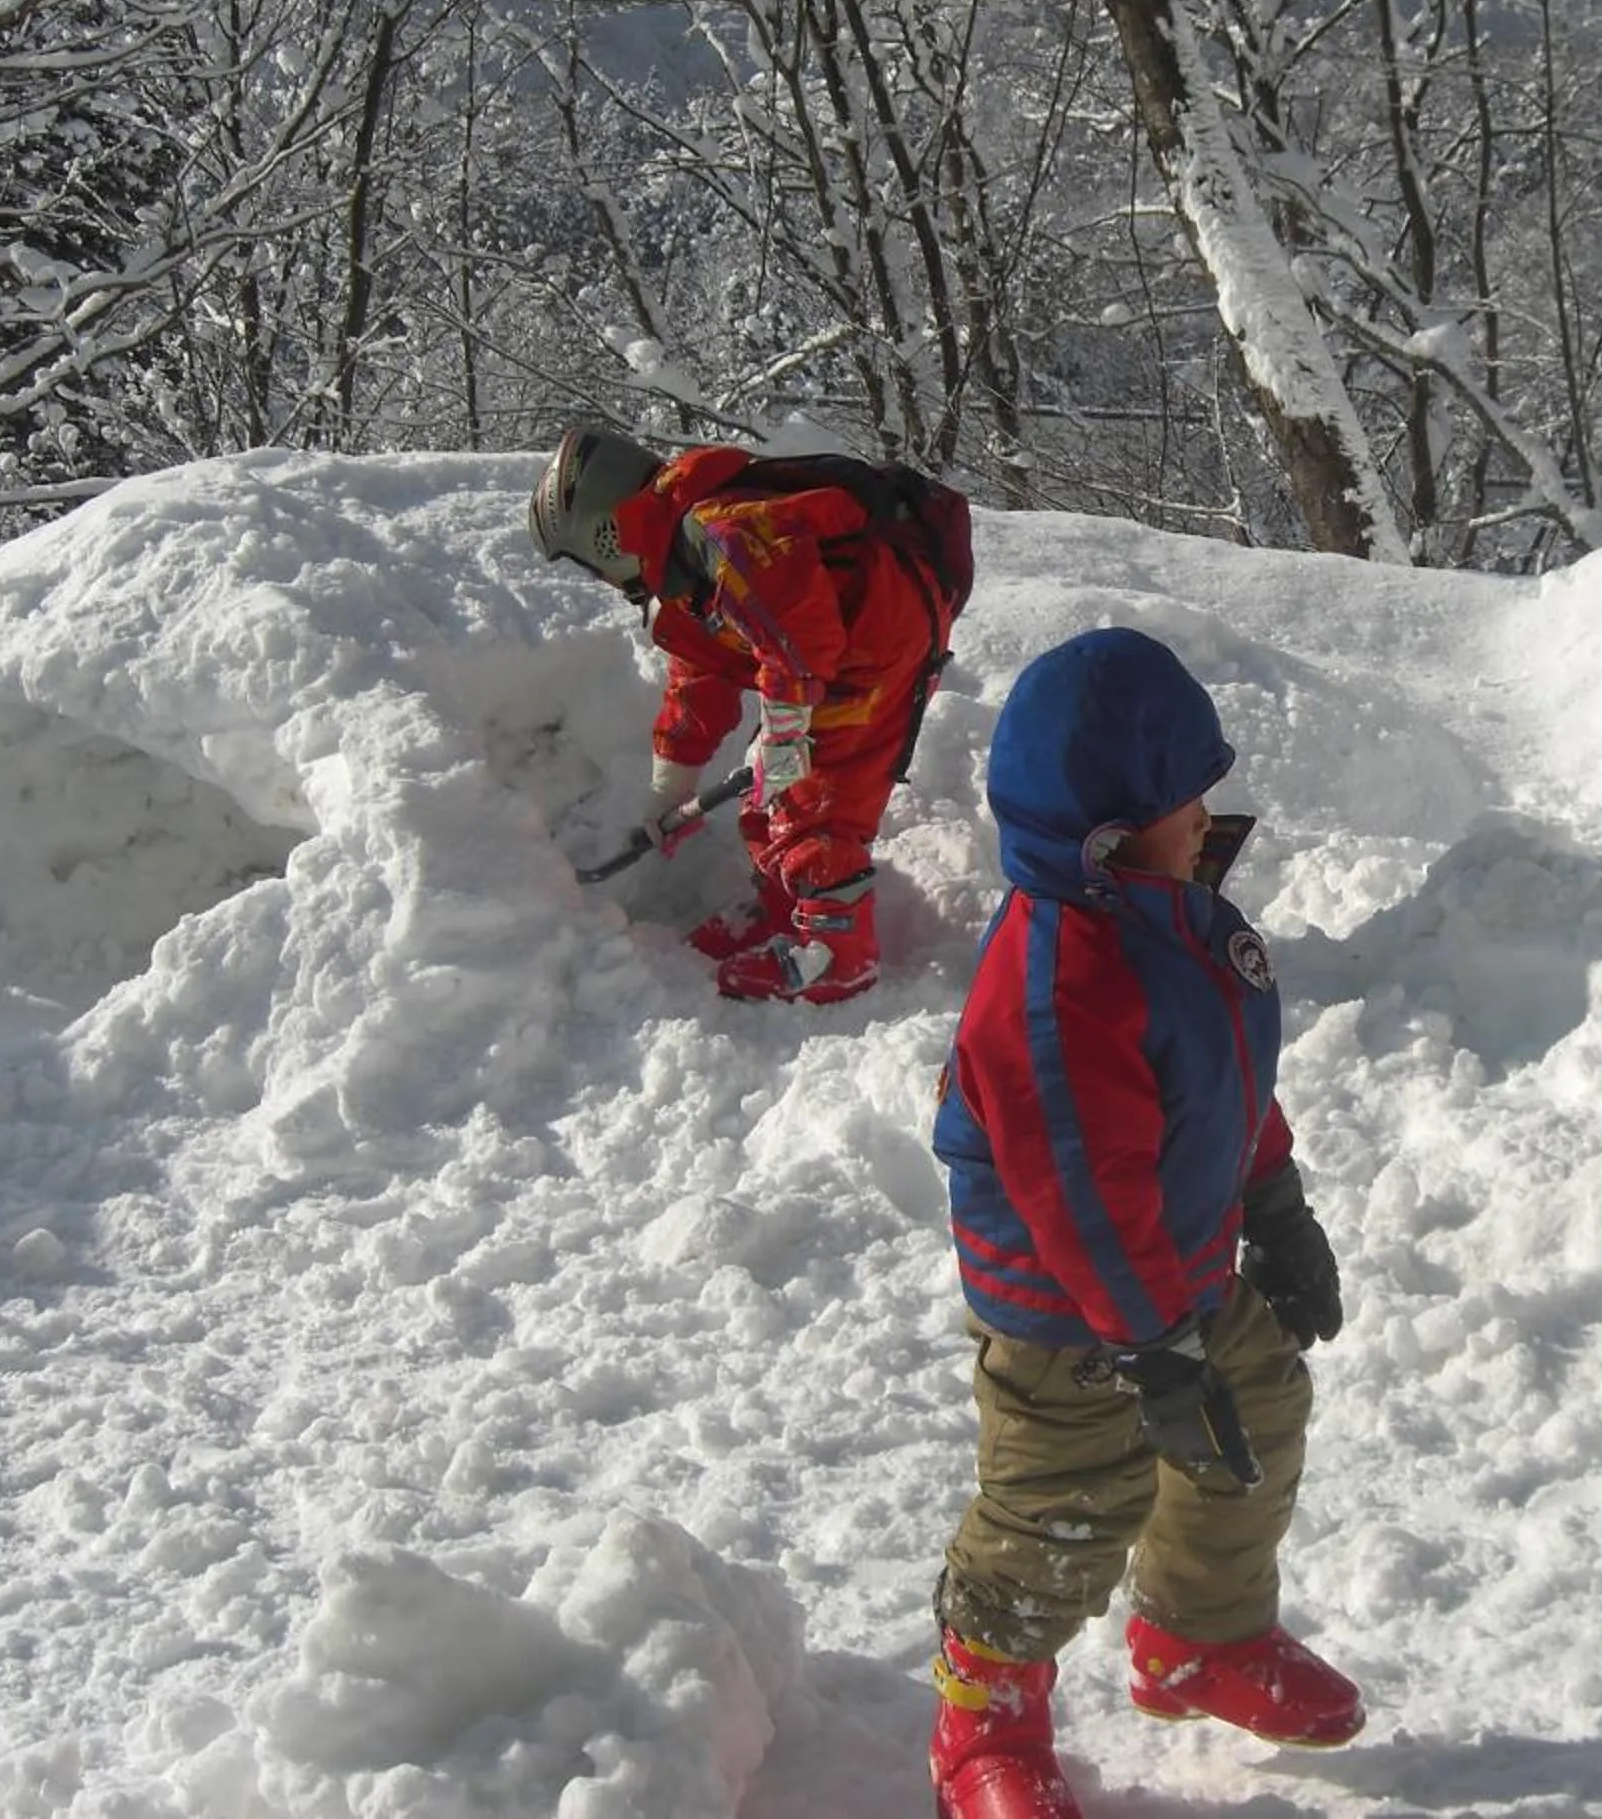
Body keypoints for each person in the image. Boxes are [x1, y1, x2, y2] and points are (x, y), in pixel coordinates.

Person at [924, 626, 1360, 1819]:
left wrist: (1273, 1203)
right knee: (1066, 1498)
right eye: (1187, 798)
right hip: (1074, 1306)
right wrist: (1154, 1344)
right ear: (1110, 836)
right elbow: (1086, 1195)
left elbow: (1222, 1086)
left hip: (1173, 1274)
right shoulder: (1059, 984)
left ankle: (1199, 1642)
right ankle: (983, 1718)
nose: (1208, 815)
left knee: (1254, 1420)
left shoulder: (1171, 923)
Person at [527, 428, 970, 1006]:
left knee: (811, 800)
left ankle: (836, 955)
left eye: (592, 564)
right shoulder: (681, 554)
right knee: (771, 791)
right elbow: (701, 676)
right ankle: (787, 910)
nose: (603, 580)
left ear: (602, 535)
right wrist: (672, 786)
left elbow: (800, 631)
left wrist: (786, 730)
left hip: (876, 641)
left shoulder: (722, 530)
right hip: (839, 651)